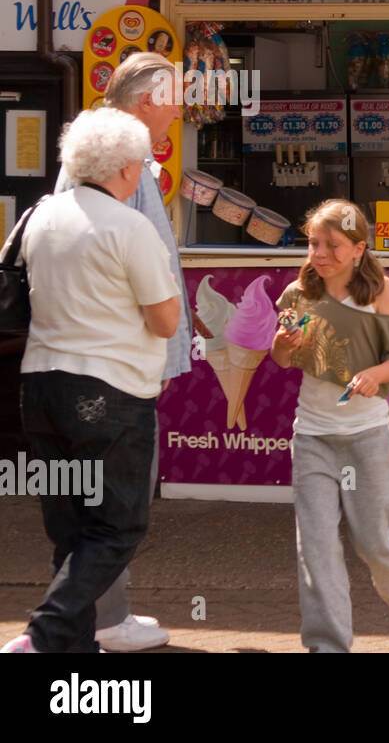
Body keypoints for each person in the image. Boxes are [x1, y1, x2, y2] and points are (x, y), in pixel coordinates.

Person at [2, 109, 180, 653]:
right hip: (111, 394)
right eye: (144, 163)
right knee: (116, 527)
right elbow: (165, 320)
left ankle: (69, 656)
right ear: (127, 167)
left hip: (40, 388)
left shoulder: (38, 216)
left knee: (71, 531)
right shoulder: (130, 227)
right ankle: (42, 636)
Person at [51, 51, 189, 651]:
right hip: (114, 369)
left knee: (100, 501)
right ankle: (99, 621)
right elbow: (125, 267)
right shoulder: (117, 160)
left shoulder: (114, 156)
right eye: (176, 93)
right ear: (149, 98)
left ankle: (97, 616)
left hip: (98, 365)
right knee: (112, 502)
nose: (182, 105)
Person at [271, 200, 389, 652]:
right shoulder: (295, 295)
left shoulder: (379, 291)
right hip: (312, 439)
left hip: (367, 439)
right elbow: (281, 358)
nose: (320, 254)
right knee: (316, 549)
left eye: (333, 245)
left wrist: (373, 377)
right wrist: (284, 342)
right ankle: (328, 645)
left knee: (375, 543)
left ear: (359, 248)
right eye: (313, 243)